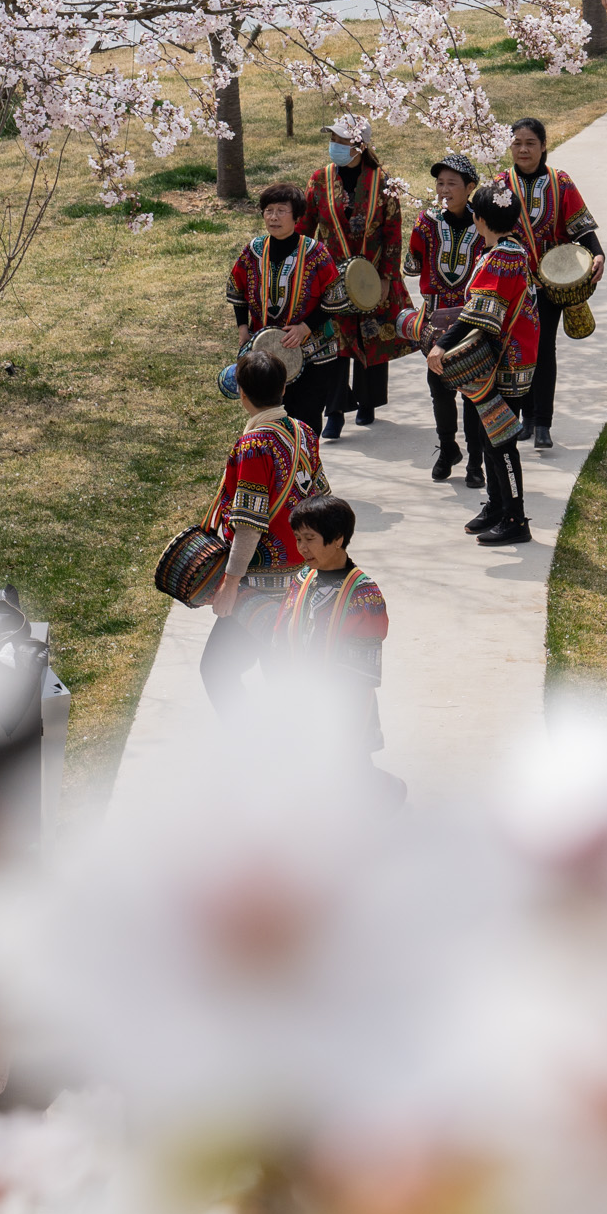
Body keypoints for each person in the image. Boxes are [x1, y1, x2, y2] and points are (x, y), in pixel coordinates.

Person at [195, 347, 324, 706]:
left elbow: (250, 525)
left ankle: (251, 748)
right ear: (284, 389)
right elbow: (322, 497)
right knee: (280, 674)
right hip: (298, 580)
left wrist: (230, 585)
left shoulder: (254, 446)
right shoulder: (304, 432)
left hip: (260, 587)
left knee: (217, 669)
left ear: (242, 395)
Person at [262, 494, 393, 780]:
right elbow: (281, 637)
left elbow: (362, 674)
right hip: (301, 700)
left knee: (350, 775)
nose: (302, 548)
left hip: (343, 708)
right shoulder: (301, 580)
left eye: (310, 538)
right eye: (298, 538)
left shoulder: (364, 596)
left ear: (337, 539)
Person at [304, 117, 408, 430]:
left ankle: (368, 401)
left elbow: (393, 230)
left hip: (372, 270)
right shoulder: (319, 180)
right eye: (333, 140)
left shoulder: (382, 181)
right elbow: (307, 224)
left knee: (371, 334)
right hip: (333, 273)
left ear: (360, 145)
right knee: (334, 340)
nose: (335, 146)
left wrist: (387, 275)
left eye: (342, 141)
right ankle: (334, 410)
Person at [503, 115, 599, 451]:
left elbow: (581, 226)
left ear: (544, 147)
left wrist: (596, 254)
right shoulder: (500, 186)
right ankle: (526, 417)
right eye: (517, 143)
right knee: (518, 351)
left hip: (550, 285)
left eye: (531, 143)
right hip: (512, 285)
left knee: (544, 350)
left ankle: (543, 422)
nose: (524, 149)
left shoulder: (560, 182)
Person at [458, 170, 543, 548]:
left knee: (500, 441)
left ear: (479, 220)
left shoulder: (502, 258)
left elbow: (481, 314)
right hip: (507, 360)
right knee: (486, 433)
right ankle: (497, 505)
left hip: (504, 365)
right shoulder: (505, 250)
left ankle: (515, 518)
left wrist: (443, 343)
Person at [227, 186, 346, 441]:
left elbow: (335, 298)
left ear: (297, 216)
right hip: (266, 355)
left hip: (313, 352)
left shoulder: (316, 253)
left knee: (306, 423)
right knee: (270, 425)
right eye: (268, 211)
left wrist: (306, 327)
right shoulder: (253, 251)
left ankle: (307, 476)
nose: (273, 217)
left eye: (281, 211)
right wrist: (242, 329)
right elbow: (237, 290)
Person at [408, 154, 490, 483]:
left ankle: (475, 462)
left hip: (472, 320)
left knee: (473, 391)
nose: (444, 189)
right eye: (440, 183)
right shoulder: (426, 221)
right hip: (435, 318)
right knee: (439, 389)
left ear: (470, 188)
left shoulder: (484, 223)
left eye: (452, 184)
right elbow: (413, 263)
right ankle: (447, 448)